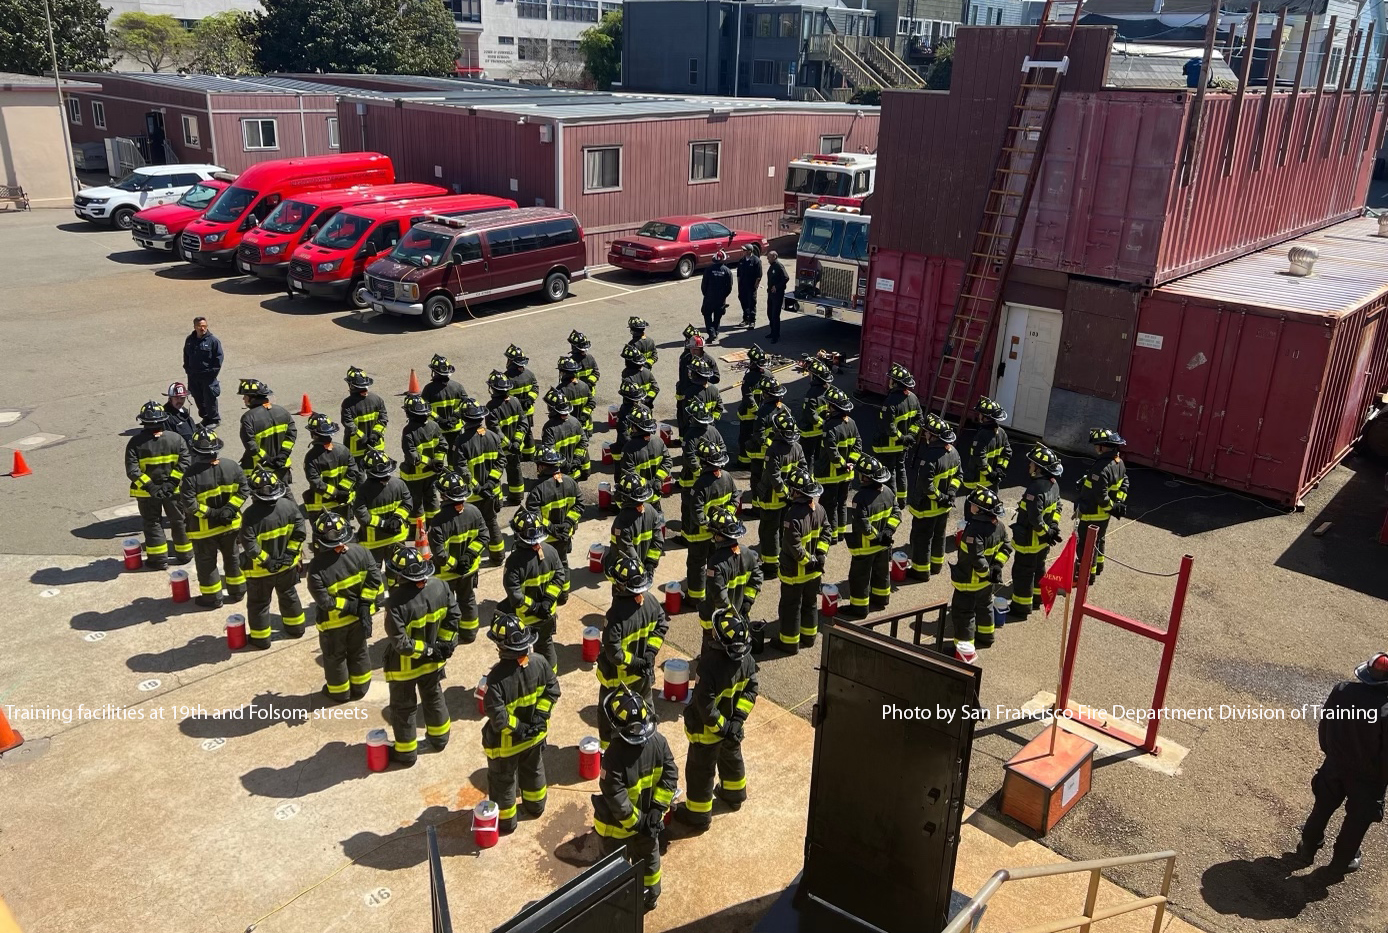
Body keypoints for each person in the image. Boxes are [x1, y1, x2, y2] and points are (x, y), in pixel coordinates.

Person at [1296, 653, 1388, 874]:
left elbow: (1325, 725)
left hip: (1335, 765)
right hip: (1369, 778)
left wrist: (1331, 754)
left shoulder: (1342, 691)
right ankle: (1341, 861)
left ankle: (1307, 847)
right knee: (1356, 821)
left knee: (1322, 808)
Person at [594, 687, 678, 912]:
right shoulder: (659, 742)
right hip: (649, 827)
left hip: (618, 832)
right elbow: (670, 777)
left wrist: (641, 822)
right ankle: (650, 898)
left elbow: (618, 801)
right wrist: (656, 812)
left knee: (612, 871)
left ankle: (614, 906)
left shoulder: (612, 757)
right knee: (649, 863)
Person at [675, 607, 758, 830]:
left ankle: (698, 815)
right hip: (732, 730)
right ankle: (734, 795)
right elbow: (751, 691)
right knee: (732, 759)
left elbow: (705, 705)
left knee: (700, 772)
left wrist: (723, 728)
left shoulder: (709, 664)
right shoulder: (747, 659)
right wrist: (736, 722)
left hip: (708, 733)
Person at [383, 546, 461, 766]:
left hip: (404, 668)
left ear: (401, 575)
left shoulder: (395, 603)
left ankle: (406, 754)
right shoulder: (440, 586)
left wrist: (428, 650)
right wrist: (445, 645)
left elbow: (401, 643)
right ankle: (440, 739)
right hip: (434, 663)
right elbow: (453, 617)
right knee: (434, 697)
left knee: (404, 709)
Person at [483, 612, 561, 832]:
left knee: (503, 782)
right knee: (534, 769)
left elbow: (499, 718)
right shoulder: (540, 662)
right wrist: (540, 718)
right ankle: (536, 806)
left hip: (507, 745)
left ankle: (507, 822)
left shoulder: (496, 679)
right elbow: (552, 691)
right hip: (536, 737)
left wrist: (520, 729)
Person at [305, 512, 382, 702]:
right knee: (359, 651)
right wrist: (363, 607)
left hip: (334, 624)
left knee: (335, 657)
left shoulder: (316, 568)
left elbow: (325, 602)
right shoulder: (362, 552)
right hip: (359, 619)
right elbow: (375, 582)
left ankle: (340, 693)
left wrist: (351, 606)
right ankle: (361, 688)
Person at [597, 556, 669, 750]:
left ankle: (608, 753)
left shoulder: (615, 615)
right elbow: (661, 625)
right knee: (646, 709)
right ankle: (650, 744)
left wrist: (636, 662)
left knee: (609, 720)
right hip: (643, 675)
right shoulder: (651, 602)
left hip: (616, 682)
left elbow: (614, 653)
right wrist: (650, 654)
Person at [238, 466, 307, 648]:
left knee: (259, 605)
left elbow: (250, 546)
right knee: (289, 595)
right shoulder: (290, 507)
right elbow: (300, 533)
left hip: (260, 571)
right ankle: (296, 629)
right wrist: (290, 554)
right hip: (287, 567)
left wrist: (268, 561)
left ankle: (261, 640)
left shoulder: (250, 515)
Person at [180, 426, 248, 608]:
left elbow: (190, 505)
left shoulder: (190, 475)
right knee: (233, 558)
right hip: (230, 525)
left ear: (195, 451)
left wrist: (212, 514)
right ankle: (238, 591)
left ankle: (212, 598)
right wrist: (228, 510)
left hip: (204, 531)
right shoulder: (231, 466)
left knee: (207, 564)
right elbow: (243, 490)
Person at [125, 400, 192, 570]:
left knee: (152, 523)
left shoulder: (135, 442)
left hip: (148, 495)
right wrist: (171, 483)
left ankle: (158, 559)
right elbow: (185, 463)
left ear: (143, 421)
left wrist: (151, 487)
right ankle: (184, 554)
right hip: (174, 492)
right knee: (179, 521)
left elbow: (133, 471)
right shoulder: (176, 439)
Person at [501, 509, 569, 669]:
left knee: (523, 653)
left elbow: (516, 596)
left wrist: (535, 607)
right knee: (546, 645)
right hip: (548, 614)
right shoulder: (551, 551)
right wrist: (547, 601)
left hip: (525, 620)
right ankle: (551, 677)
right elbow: (560, 577)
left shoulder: (514, 562)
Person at [949, 488, 1012, 657]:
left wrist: (987, 573)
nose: (971, 506)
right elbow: (1006, 547)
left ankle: (964, 649)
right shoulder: (999, 526)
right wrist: (997, 566)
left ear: (980, 510)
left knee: (964, 613)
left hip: (969, 582)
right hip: (987, 582)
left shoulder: (974, 531)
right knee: (985, 607)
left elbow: (976, 558)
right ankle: (986, 636)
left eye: (974, 505)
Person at [429, 471, 489, 645]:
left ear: (444, 495)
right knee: (468, 599)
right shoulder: (474, 511)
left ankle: (447, 639)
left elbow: (440, 555)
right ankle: (469, 634)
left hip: (447, 575)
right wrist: (470, 556)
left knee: (446, 607)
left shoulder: (438, 521)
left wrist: (456, 565)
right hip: (469, 570)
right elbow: (483, 536)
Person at [839, 455, 901, 620]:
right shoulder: (888, 492)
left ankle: (859, 609)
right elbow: (897, 513)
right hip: (883, 545)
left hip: (866, 547)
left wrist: (877, 537)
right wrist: (888, 531)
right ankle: (881, 599)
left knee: (860, 578)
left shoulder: (860, 498)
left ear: (866, 477)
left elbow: (862, 524)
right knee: (881, 573)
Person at [776, 466, 829, 653]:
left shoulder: (792, 517)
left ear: (798, 492)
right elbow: (827, 533)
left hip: (795, 574)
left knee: (791, 608)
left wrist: (810, 561)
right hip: (814, 573)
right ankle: (809, 637)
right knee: (810, 604)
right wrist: (820, 555)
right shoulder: (820, 509)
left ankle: (789, 644)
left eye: (792, 488)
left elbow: (795, 548)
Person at [699, 508, 763, 655]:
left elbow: (719, 595)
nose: (713, 536)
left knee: (711, 649)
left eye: (715, 533)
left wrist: (729, 614)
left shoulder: (716, 563)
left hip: (717, 617)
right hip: (739, 614)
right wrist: (747, 600)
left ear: (721, 536)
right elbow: (757, 577)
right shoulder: (747, 553)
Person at [1010, 445, 1063, 621]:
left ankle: (1021, 607)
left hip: (1029, 541)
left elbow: (1034, 518)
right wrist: (1053, 528)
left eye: (1032, 464)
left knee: (1023, 573)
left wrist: (1046, 531)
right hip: (1043, 541)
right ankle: (1037, 598)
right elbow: (1058, 508)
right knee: (1039, 568)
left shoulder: (1034, 490)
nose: (1029, 466)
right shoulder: (1054, 485)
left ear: (1039, 468)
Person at [907, 414, 961, 581]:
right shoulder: (954, 452)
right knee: (939, 536)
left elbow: (926, 485)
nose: (925, 435)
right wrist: (950, 494)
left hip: (927, 508)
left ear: (934, 436)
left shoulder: (931, 456)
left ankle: (921, 571)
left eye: (927, 433)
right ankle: (936, 565)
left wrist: (940, 497)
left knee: (922, 539)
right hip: (944, 508)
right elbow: (959, 476)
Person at [685, 436, 738, 606]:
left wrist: (709, 524)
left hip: (701, 535)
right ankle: (712, 594)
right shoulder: (727, 477)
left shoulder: (700, 484)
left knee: (697, 565)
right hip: (721, 534)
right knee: (715, 565)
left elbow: (696, 511)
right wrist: (722, 522)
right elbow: (735, 499)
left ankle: (696, 598)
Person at [524, 445, 584, 592]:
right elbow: (579, 506)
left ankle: (547, 594)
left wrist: (552, 529)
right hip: (565, 534)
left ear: (543, 466)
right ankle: (563, 594)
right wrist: (568, 523)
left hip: (546, 538)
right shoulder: (571, 482)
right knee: (562, 563)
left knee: (545, 567)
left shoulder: (537, 488)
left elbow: (534, 517)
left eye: (538, 465)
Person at [453, 399, 506, 566]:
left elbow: (462, 469)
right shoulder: (493, 436)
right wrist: (491, 482)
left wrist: (477, 487)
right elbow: (501, 461)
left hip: (472, 495)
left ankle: (470, 559)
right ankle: (498, 557)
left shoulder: (461, 441)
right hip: (492, 492)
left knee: (469, 529)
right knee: (491, 522)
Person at [1074, 428, 1130, 585]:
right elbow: (1124, 483)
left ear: (1102, 447)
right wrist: (1118, 503)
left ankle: (1086, 577)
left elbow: (1100, 495)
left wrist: (1111, 506)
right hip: (1104, 516)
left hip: (1092, 513)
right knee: (1099, 541)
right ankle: (1098, 568)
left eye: (1096, 445)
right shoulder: (1119, 462)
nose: (1095, 448)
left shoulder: (1101, 467)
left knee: (1086, 545)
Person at [755, 408, 806, 576]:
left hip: (772, 498)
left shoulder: (774, 450)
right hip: (790, 498)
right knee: (783, 528)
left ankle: (770, 567)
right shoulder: (797, 447)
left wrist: (783, 493)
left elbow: (773, 476)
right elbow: (803, 470)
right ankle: (783, 558)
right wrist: (792, 494)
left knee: (769, 531)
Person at [814, 386, 862, 543]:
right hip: (847, 474)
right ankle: (841, 533)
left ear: (834, 407)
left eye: (829, 404)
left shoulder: (830, 427)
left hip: (831, 475)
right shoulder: (852, 423)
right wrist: (851, 463)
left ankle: (832, 536)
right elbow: (858, 445)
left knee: (829, 505)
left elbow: (831, 452)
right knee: (841, 503)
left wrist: (842, 464)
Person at [872, 363, 923, 508]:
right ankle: (902, 501)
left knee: (890, 473)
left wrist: (901, 438)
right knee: (901, 470)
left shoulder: (890, 402)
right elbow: (919, 419)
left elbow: (889, 427)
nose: (889, 382)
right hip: (904, 445)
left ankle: (891, 503)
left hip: (889, 446)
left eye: (891, 380)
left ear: (895, 383)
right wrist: (910, 436)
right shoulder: (913, 398)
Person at [352, 450, 412, 571]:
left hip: (374, 542)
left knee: (373, 575)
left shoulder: (363, 490)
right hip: (397, 538)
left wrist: (383, 524)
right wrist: (398, 519)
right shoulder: (399, 484)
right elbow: (407, 504)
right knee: (396, 572)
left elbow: (361, 514)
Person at [604, 473, 664, 578]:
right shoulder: (651, 511)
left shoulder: (622, 522)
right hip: (643, 567)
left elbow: (627, 552)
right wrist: (650, 564)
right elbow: (658, 541)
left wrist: (639, 571)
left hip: (626, 573)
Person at [237, 378, 296, 484]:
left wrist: (266, 459)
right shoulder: (282, 411)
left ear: (253, 398)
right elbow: (291, 435)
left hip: (260, 470)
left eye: (245, 396)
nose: (243, 399)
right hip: (282, 466)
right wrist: (284, 455)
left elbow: (251, 445)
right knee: (285, 497)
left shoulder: (248, 418)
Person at [618, 405, 673, 517]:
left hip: (638, 500)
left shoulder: (629, 448)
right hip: (655, 497)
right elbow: (668, 461)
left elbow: (629, 475)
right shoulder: (659, 441)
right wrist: (658, 479)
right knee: (657, 525)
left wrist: (649, 483)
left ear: (635, 427)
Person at [300, 414, 358, 521]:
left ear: (313, 434)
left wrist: (336, 494)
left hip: (322, 506)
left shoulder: (311, 457)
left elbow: (316, 482)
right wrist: (343, 491)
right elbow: (353, 471)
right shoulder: (343, 450)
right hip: (344, 502)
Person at [677, 400, 720, 540]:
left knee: (689, 508)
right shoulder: (714, 431)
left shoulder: (690, 435)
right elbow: (723, 450)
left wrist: (698, 473)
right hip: (710, 479)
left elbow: (690, 457)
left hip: (691, 479)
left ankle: (687, 537)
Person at [400, 393, 445, 522]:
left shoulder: (408, 430)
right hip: (432, 474)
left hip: (414, 476)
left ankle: (417, 531)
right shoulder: (434, 426)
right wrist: (438, 462)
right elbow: (442, 445)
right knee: (432, 499)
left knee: (416, 503)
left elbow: (411, 455)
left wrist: (430, 463)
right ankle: (434, 525)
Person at [485, 370, 527, 505]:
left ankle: (496, 500)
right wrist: (517, 441)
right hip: (515, 447)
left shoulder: (491, 407)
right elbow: (523, 422)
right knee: (515, 470)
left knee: (495, 473)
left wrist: (508, 444)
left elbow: (495, 430)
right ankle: (517, 497)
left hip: (500, 449)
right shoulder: (515, 401)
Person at [962, 397, 1011, 495]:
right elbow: (1007, 453)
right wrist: (1000, 469)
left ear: (984, 417)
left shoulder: (981, 435)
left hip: (976, 483)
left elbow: (979, 457)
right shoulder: (1002, 432)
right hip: (993, 482)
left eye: (980, 414)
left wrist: (990, 474)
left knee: (972, 509)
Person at [421, 353, 467, 456]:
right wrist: (455, 418)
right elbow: (466, 405)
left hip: (436, 429)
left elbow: (425, 409)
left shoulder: (428, 389)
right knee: (454, 456)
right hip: (455, 428)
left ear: (434, 372)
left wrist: (439, 420)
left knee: (437, 456)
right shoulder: (458, 387)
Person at [341, 366, 388, 465]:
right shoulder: (377, 399)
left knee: (359, 478)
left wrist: (363, 439)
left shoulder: (347, 404)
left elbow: (349, 425)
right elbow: (383, 420)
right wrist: (375, 435)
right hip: (377, 447)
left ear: (351, 385)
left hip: (356, 450)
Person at [182, 316, 223, 426]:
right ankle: (206, 418)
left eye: (204, 326)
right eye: (200, 326)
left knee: (210, 399)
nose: (202, 328)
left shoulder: (213, 341)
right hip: (194, 376)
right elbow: (186, 355)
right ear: (195, 327)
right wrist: (187, 369)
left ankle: (214, 419)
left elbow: (218, 359)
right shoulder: (190, 340)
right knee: (198, 398)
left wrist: (212, 374)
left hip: (207, 377)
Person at [539, 387, 587, 479]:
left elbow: (549, 453)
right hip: (574, 473)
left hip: (557, 474)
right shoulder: (575, 422)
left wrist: (565, 464)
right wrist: (576, 461)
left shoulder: (549, 428)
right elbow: (583, 443)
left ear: (552, 409)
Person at [504, 344, 539, 468]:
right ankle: (529, 455)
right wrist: (529, 399)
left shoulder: (506, 377)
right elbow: (535, 388)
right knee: (528, 432)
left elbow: (504, 395)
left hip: (514, 414)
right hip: (528, 411)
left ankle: (517, 454)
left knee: (515, 433)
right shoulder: (529, 374)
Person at [796, 356, 832, 464]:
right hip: (822, 432)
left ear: (815, 377)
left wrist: (822, 424)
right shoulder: (829, 390)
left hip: (809, 433)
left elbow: (810, 415)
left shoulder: (811, 394)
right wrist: (825, 425)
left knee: (807, 459)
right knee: (817, 456)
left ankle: (809, 478)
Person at [735, 346, 768, 466]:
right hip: (764, 414)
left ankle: (744, 462)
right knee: (760, 436)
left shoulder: (748, 377)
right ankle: (758, 460)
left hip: (748, 415)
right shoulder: (769, 375)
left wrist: (755, 411)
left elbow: (747, 396)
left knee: (745, 438)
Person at [557, 356, 596, 444]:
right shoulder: (584, 386)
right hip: (584, 426)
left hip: (568, 431)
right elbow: (592, 402)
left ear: (563, 372)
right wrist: (584, 417)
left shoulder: (560, 390)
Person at [610, 379, 648, 469]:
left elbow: (622, 432)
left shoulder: (625, 411)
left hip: (629, 445)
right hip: (632, 446)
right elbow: (623, 433)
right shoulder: (640, 410)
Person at [701, 251, 733, 342]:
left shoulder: (709, 269)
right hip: (720, 299)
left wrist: (706, 294)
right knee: (717, 316)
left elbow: (704, 285)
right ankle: (715, 332)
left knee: (707, 314)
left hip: (709, 298)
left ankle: (712, 333)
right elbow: (729, 287)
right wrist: (723, 296)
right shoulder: (727, 271)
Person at [619, 342, 660, 409]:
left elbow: (628, 397)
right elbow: (655, 388)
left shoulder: (627, 376)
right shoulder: (647, 372)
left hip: (632, 410)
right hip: (646, 408)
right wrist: (647, 400)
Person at [735, 244, 763, 327]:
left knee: (751, 303)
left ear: (750, 251)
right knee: (743, 302)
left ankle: (752, 321)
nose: (743, 251)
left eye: (745, 250)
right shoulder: (741, 260)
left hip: (751, 286)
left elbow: (759, 275)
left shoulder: (756, 261)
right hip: (742, 286)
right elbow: (739, 274)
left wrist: (756, 285)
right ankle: (746, 319)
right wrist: (739, 285)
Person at [765, 250, 789, 343]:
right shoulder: (772, 266)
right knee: (769, 313)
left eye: (769, 257)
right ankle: (772, 332)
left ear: (774, 257)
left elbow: (786, 278)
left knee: (775, 315)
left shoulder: (779, 266)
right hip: (771, 294)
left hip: (777, 294)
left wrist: (777, 287)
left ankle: (776, 335)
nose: (767, 258)